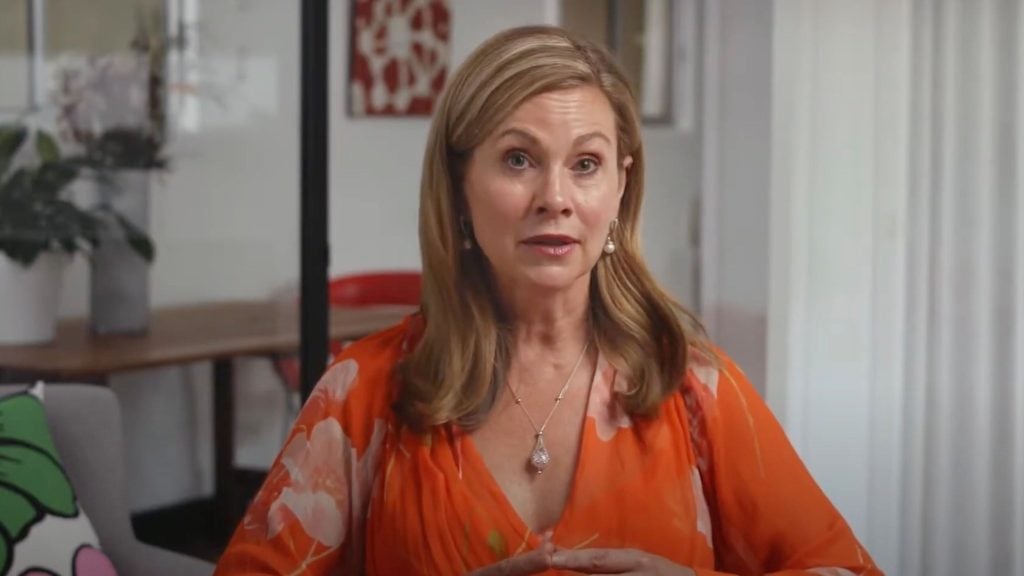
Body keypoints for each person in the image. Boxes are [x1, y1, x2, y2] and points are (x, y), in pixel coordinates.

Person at [214, 26, 882, 576]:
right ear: (458, 187)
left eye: (585, 164)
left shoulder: (694, 388)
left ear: (620, 187)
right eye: (517, 160)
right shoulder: (363, 394)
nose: (555, 198)